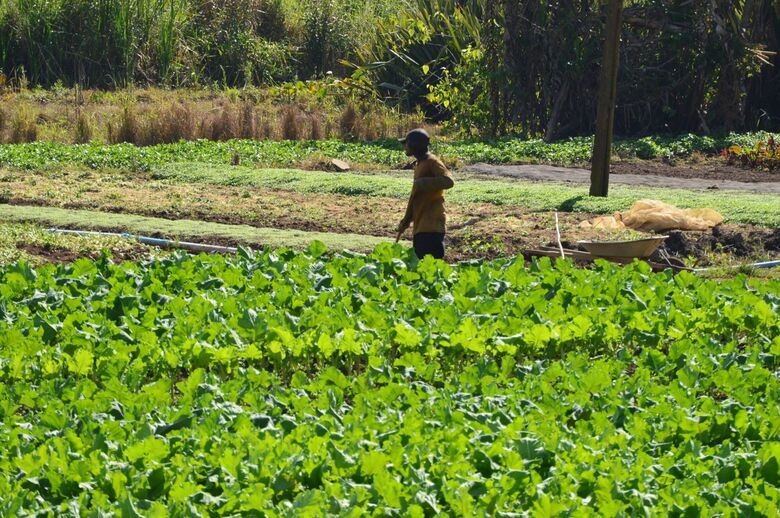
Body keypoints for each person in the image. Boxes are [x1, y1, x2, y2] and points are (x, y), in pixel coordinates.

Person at [396, 128, 454, 259]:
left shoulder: (433, 162)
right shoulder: (419, 164)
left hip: (432, 226)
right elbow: (415, 197)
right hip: (421, 226)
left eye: (407, 143)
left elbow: (448, 181)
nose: (405, 147)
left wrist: (423, 183)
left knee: (430, 269)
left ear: (414, 145)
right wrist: (405, 221)